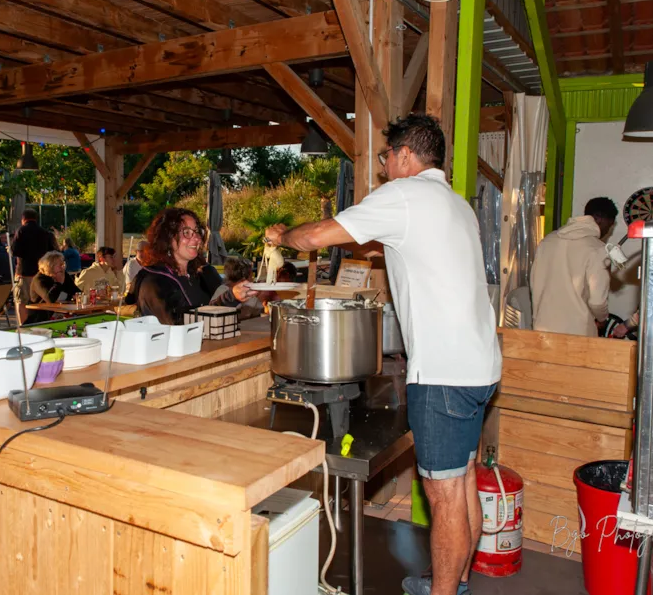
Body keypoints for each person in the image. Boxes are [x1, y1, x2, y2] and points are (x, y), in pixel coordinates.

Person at [265, 114, 500, 595]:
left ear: (406, 156)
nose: (383, 165)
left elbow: (314, 236)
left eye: (386, 156)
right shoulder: (456, 205)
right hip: (480, 367)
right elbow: (414, 250)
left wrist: (282, 236)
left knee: (444, 496)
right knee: (463, 481)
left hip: (444, 374)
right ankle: (456, 582)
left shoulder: (404, 195)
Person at [134, 208, 256, 325]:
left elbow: (206, 312)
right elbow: (181, 323)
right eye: (186, 232)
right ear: (168, 238)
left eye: (197, 231)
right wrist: (230, 297)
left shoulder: (197, 276)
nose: (197, 238)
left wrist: (235, 296)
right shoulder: (154, 281)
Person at [530, 197, 617, 337]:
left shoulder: (547, 241)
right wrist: (602, 318)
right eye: (610, 225)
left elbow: (535, 285)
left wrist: (536, 318)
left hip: (543, 328)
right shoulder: (598, 250)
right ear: (600, 219)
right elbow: (597, 302)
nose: (608, 231)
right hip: (578, 332)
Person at [11, 209, 57, 324]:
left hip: (25, 272)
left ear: (23, 219)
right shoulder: (44, 232)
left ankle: (23, 326)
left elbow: (14, 251)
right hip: (41, 274)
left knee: (21, 301)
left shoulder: (21, 231)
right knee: (39, 302)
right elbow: (51, 252)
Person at [27, 251, 78, 323]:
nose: (63, 267)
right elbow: (51, 299)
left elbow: (76, 292)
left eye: (63, 264)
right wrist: (59, 283)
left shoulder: (63, 274)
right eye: (60, 265)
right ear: (50, 266)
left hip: (61, 315)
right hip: (41, 319)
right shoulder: (39, 280)